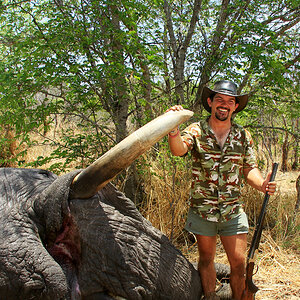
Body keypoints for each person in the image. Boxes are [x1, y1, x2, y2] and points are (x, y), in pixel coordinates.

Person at [166, 80, 276, 300]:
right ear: (210, 102)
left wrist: (262, 183)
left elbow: (249, 169)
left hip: (232, 211)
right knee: (206, 258)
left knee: (238, 262)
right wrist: (173, 129)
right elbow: (178, 150)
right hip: (202, 210)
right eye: (219, 100)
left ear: (235, 106)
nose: (224, 105)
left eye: (230, 101)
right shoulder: (196, 130)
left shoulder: (243, 136)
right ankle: (210, 296)